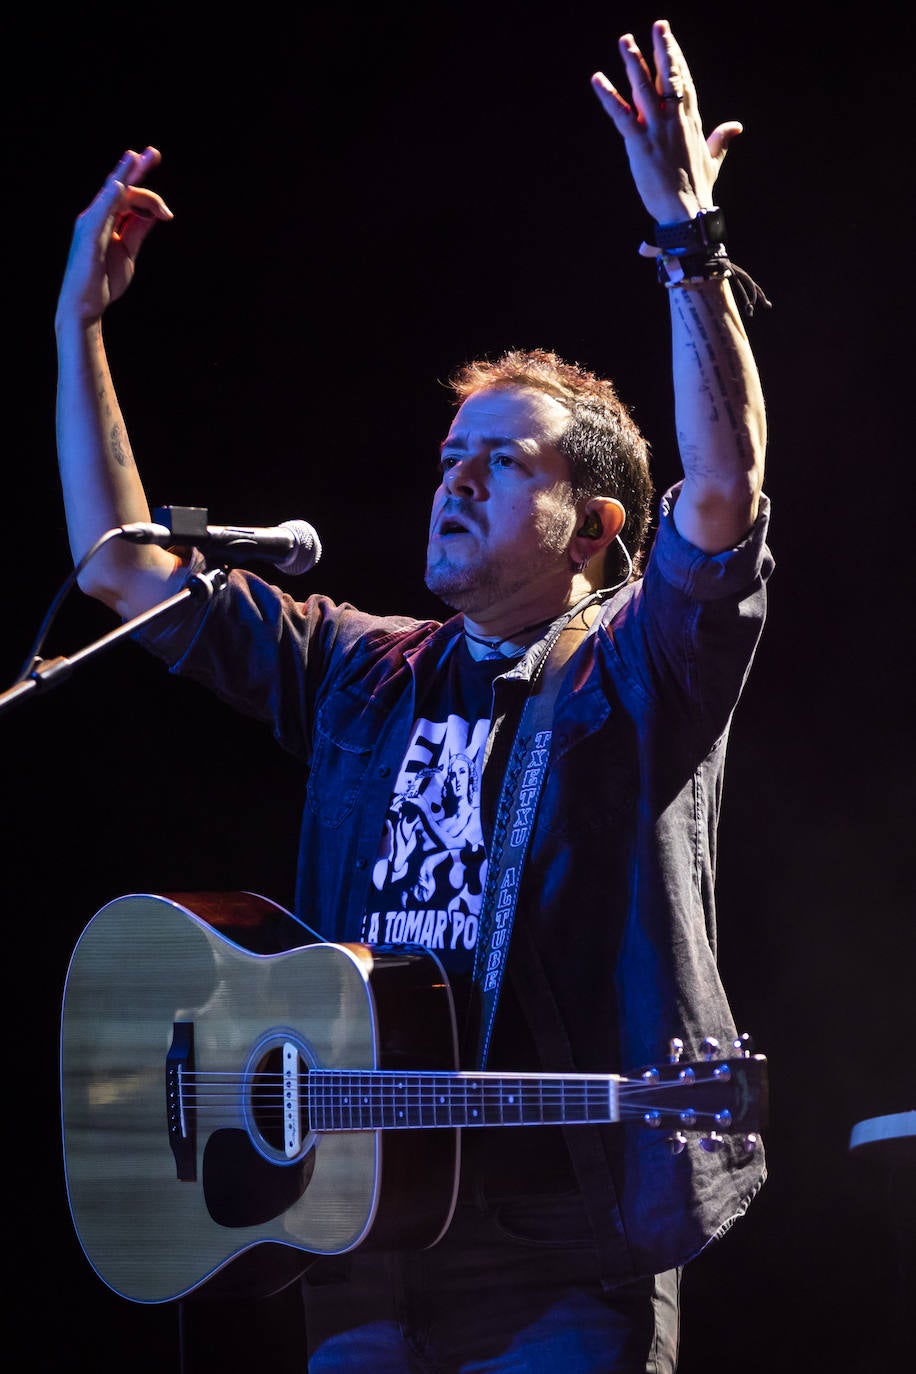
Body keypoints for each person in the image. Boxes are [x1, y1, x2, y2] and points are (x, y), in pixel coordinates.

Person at [54, 16, 772, 1374]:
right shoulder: (361, 666)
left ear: (594, 523)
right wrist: (74, 327)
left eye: (498, 462)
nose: (453, 475)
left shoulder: (638, 665)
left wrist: (690, 245)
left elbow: (728, 495)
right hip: (361, 1228)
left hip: (565, 1249)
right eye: (451, 453)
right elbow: (122, 575)